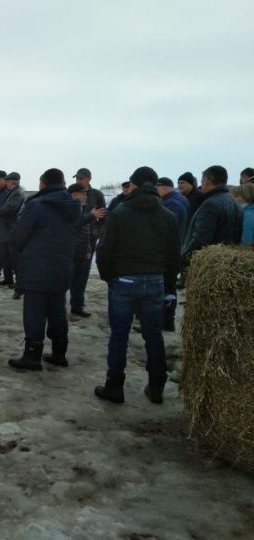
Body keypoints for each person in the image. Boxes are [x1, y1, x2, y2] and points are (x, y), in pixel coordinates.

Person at [94, 166, 180, 405]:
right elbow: (173, 257)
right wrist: (169, 287)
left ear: (134, 185)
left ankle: (114, 387)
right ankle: (156, 387)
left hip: (124, 280)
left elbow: (104, 249)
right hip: (154, 281)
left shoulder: (121, 212)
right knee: (154, 336)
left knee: (119, 336)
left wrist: (109, 276)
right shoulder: (167, 216)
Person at [7, 168, 81, 371]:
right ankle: (59, 352)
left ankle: (32, 356)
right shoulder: (73, 206)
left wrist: (28, 250)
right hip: (63, 266)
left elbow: (17, 237)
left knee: (35, 311)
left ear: (42, 183)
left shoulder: (36, 205)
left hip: (37, 268)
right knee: (57, 309)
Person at [181, 165, 243, 271]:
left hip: (209, 266)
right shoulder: (234, 202)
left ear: (207, 182)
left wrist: (183, 260)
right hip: (228, 263)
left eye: (202, 181)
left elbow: (201, 238)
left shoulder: (210, 204)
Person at [68, 183, 107, 318]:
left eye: (85, 193)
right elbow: (74, 224)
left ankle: (77, 306)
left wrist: (88, 248)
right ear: (73, 195)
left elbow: (86, 231)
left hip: (83, 251)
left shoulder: (82, 207)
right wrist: (92, 215)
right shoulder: (68, 207)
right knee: (68, 281)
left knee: (80, 281)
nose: (85, 196)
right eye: (82, 193)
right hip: (71, 252)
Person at [155, 177, 189, 331]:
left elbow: (166, 230)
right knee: (169, 286)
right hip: (175, 248)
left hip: (168, 251)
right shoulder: (180, 199)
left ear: (163, 187)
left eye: (157, 187)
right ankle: (166, 320)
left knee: (166, 286)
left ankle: (165, 321)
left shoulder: (171, 204)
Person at [0, 172, 26, 291]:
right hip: (6, 231)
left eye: (7, 181)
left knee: (14, 258)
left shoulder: (17, 193)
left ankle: (19, 282)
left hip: (12, 231)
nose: (5, 183)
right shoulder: (13, 192)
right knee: (6, 257)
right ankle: (8, 279)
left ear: (13, 182)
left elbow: (9, 209)